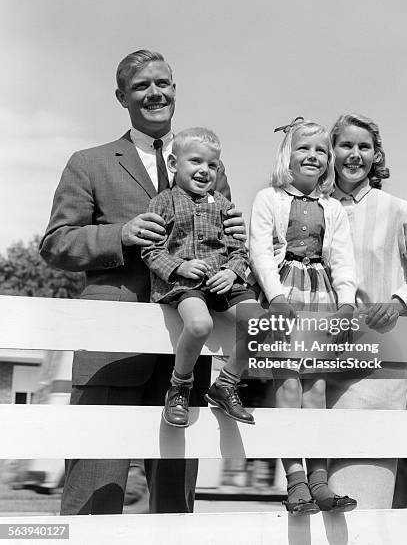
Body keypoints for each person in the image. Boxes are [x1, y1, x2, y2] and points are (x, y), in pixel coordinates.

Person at [39, 50, 246, 515]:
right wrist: (120, 234)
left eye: (164, 83)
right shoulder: (88, 163)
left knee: (175, 499)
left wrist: (236, 243)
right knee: (94, 492)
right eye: (141, 86)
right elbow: (55, 243)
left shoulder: (209, 165)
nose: (155, 93)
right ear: (122, 97)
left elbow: (225, 244)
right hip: (112, 349)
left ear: (175, 90)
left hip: (185, 355)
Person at [325, 112, 407, 508]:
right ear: (331, 151)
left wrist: (397, 304)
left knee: (362, 495)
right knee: (313, 497)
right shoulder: (311, 208)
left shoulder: (397, 210)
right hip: (313, 366)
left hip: (375, 367)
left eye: (364, 147)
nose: (355, 154)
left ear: (377, 156)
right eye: (346, 145)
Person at [248, 119, 358, 515]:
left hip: (322, 296)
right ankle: (295, 481)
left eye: (321, 151)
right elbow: (260, 251)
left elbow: (343, 259)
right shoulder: (268, 198)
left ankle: (320, 481)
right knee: (289, 385)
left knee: (316, 390)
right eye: (303, 149)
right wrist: (275, 295)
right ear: (287, 156)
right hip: (285, 296)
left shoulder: (334, 208)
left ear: (328, 161)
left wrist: (346, 302)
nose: (313, 156)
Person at [141, 127, 266, 428]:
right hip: (184, 285)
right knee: (199, 325)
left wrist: (231, 271)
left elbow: (239, 250)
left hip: (222, 283)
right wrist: (179, 267)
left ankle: (226, 384)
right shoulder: (163, 202)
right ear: (174, 165)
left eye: (212, 165)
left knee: (263, 323)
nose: (204, 170)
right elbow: (150, 250)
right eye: (195, 161)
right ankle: (180, 386)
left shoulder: (222, 205)